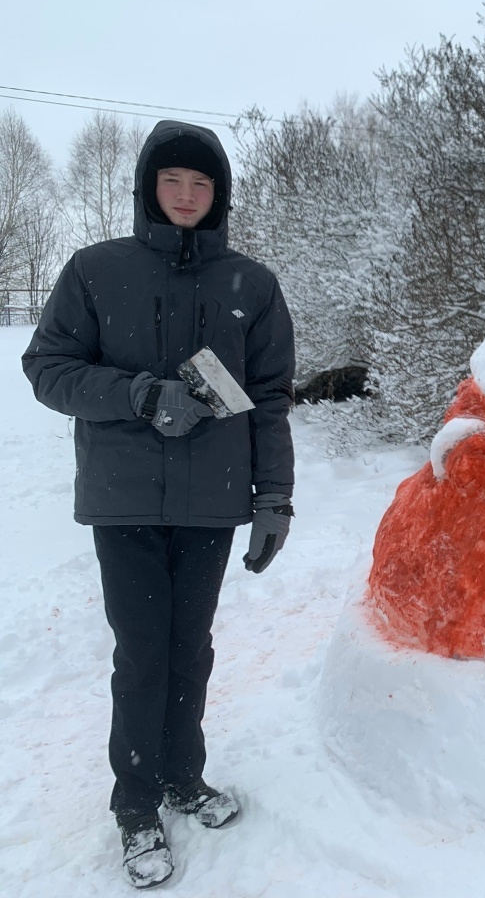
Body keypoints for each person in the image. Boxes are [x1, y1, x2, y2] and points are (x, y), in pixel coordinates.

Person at [22, 120, 296, 886]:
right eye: (172, 181)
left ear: (220, 195)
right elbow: (47, 367)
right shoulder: (94, 270)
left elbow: (270, 397)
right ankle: (136, 803)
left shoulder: (252, 284)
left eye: (200, 184)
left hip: (209, 504)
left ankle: (184, 776)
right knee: (143, 653)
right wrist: (139, 395)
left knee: (191, 648)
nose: (185, 195)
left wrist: (274, 495)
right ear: (149, 187)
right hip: (125, 501)